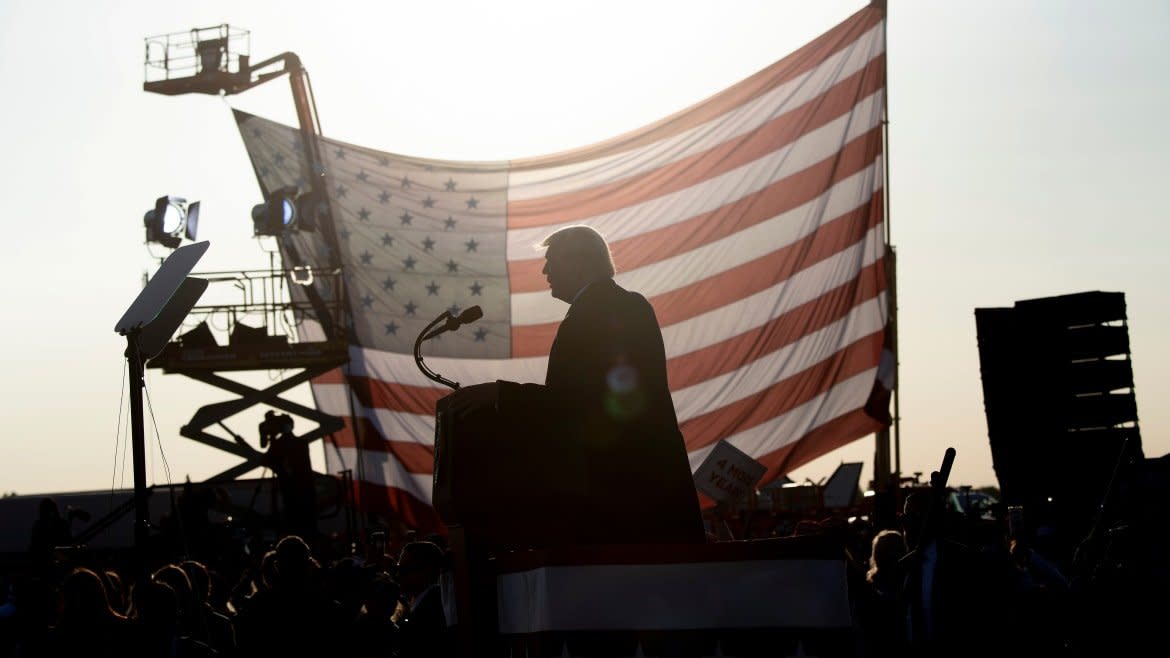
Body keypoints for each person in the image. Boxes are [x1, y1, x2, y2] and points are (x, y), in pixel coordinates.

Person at [453, 225, 703, 546]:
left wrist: (503, 395)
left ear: (578, 261)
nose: (544, 269)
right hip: (624, 497)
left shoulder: (615, 308)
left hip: (633, 498)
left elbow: (589, 400)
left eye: (551, 260)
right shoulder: (594, 310)